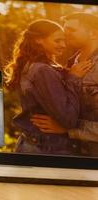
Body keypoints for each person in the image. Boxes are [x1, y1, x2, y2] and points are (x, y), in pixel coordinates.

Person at [4, 19, 92, 155]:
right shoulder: (42, 71)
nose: (63, 45)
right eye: (57, 41)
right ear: (39, 40)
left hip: (34, 144)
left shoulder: (31, 65)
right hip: (48, 148)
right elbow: (68, 119)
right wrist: (73, 78)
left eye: (64, 40)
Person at [30, 13, 98, 156]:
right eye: (65, 29)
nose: (64, 34)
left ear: (93, 33)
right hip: (73, 153)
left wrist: (69, 129)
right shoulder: (69, 65)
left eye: (71, 30)